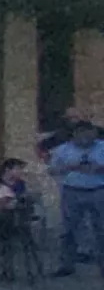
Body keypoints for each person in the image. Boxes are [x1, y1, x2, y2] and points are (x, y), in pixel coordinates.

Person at [52, 117, 104, 274]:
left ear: (94, 133)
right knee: (68, 229)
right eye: (81, 133)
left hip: (98, 190)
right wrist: (69, 167)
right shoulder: (62, 150)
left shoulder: (102, 147)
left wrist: (100, 168)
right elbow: (52, 170)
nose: (85, 137)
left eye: (88, 133)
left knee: (101, 228)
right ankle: (66, 264)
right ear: (74, 134)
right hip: (72, 191)